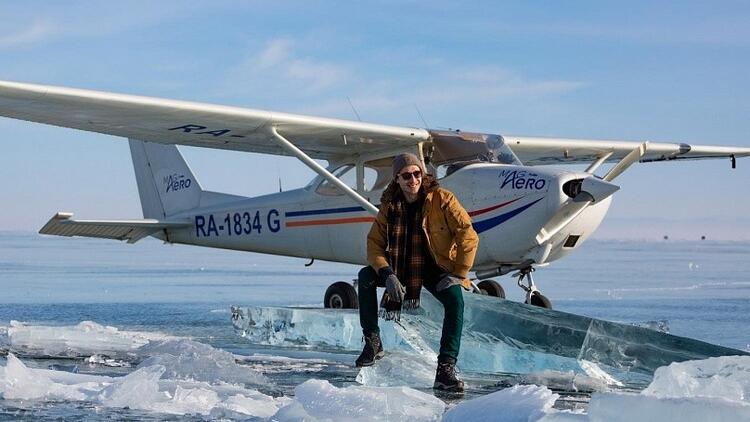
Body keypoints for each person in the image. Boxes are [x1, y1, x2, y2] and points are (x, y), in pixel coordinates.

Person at [356, 153, 479, 392]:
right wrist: (387, 273)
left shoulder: (443, 199)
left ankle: (445, 369)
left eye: (417, 173)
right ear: (397, 180)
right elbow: (374, 244)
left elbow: (467, 234)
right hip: (402, 267)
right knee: (365, 277)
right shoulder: (389, 205)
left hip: (437, 267)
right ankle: (373, 341)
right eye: (406, 175)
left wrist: (460, 272)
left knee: (455, 300)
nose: (413, 179)